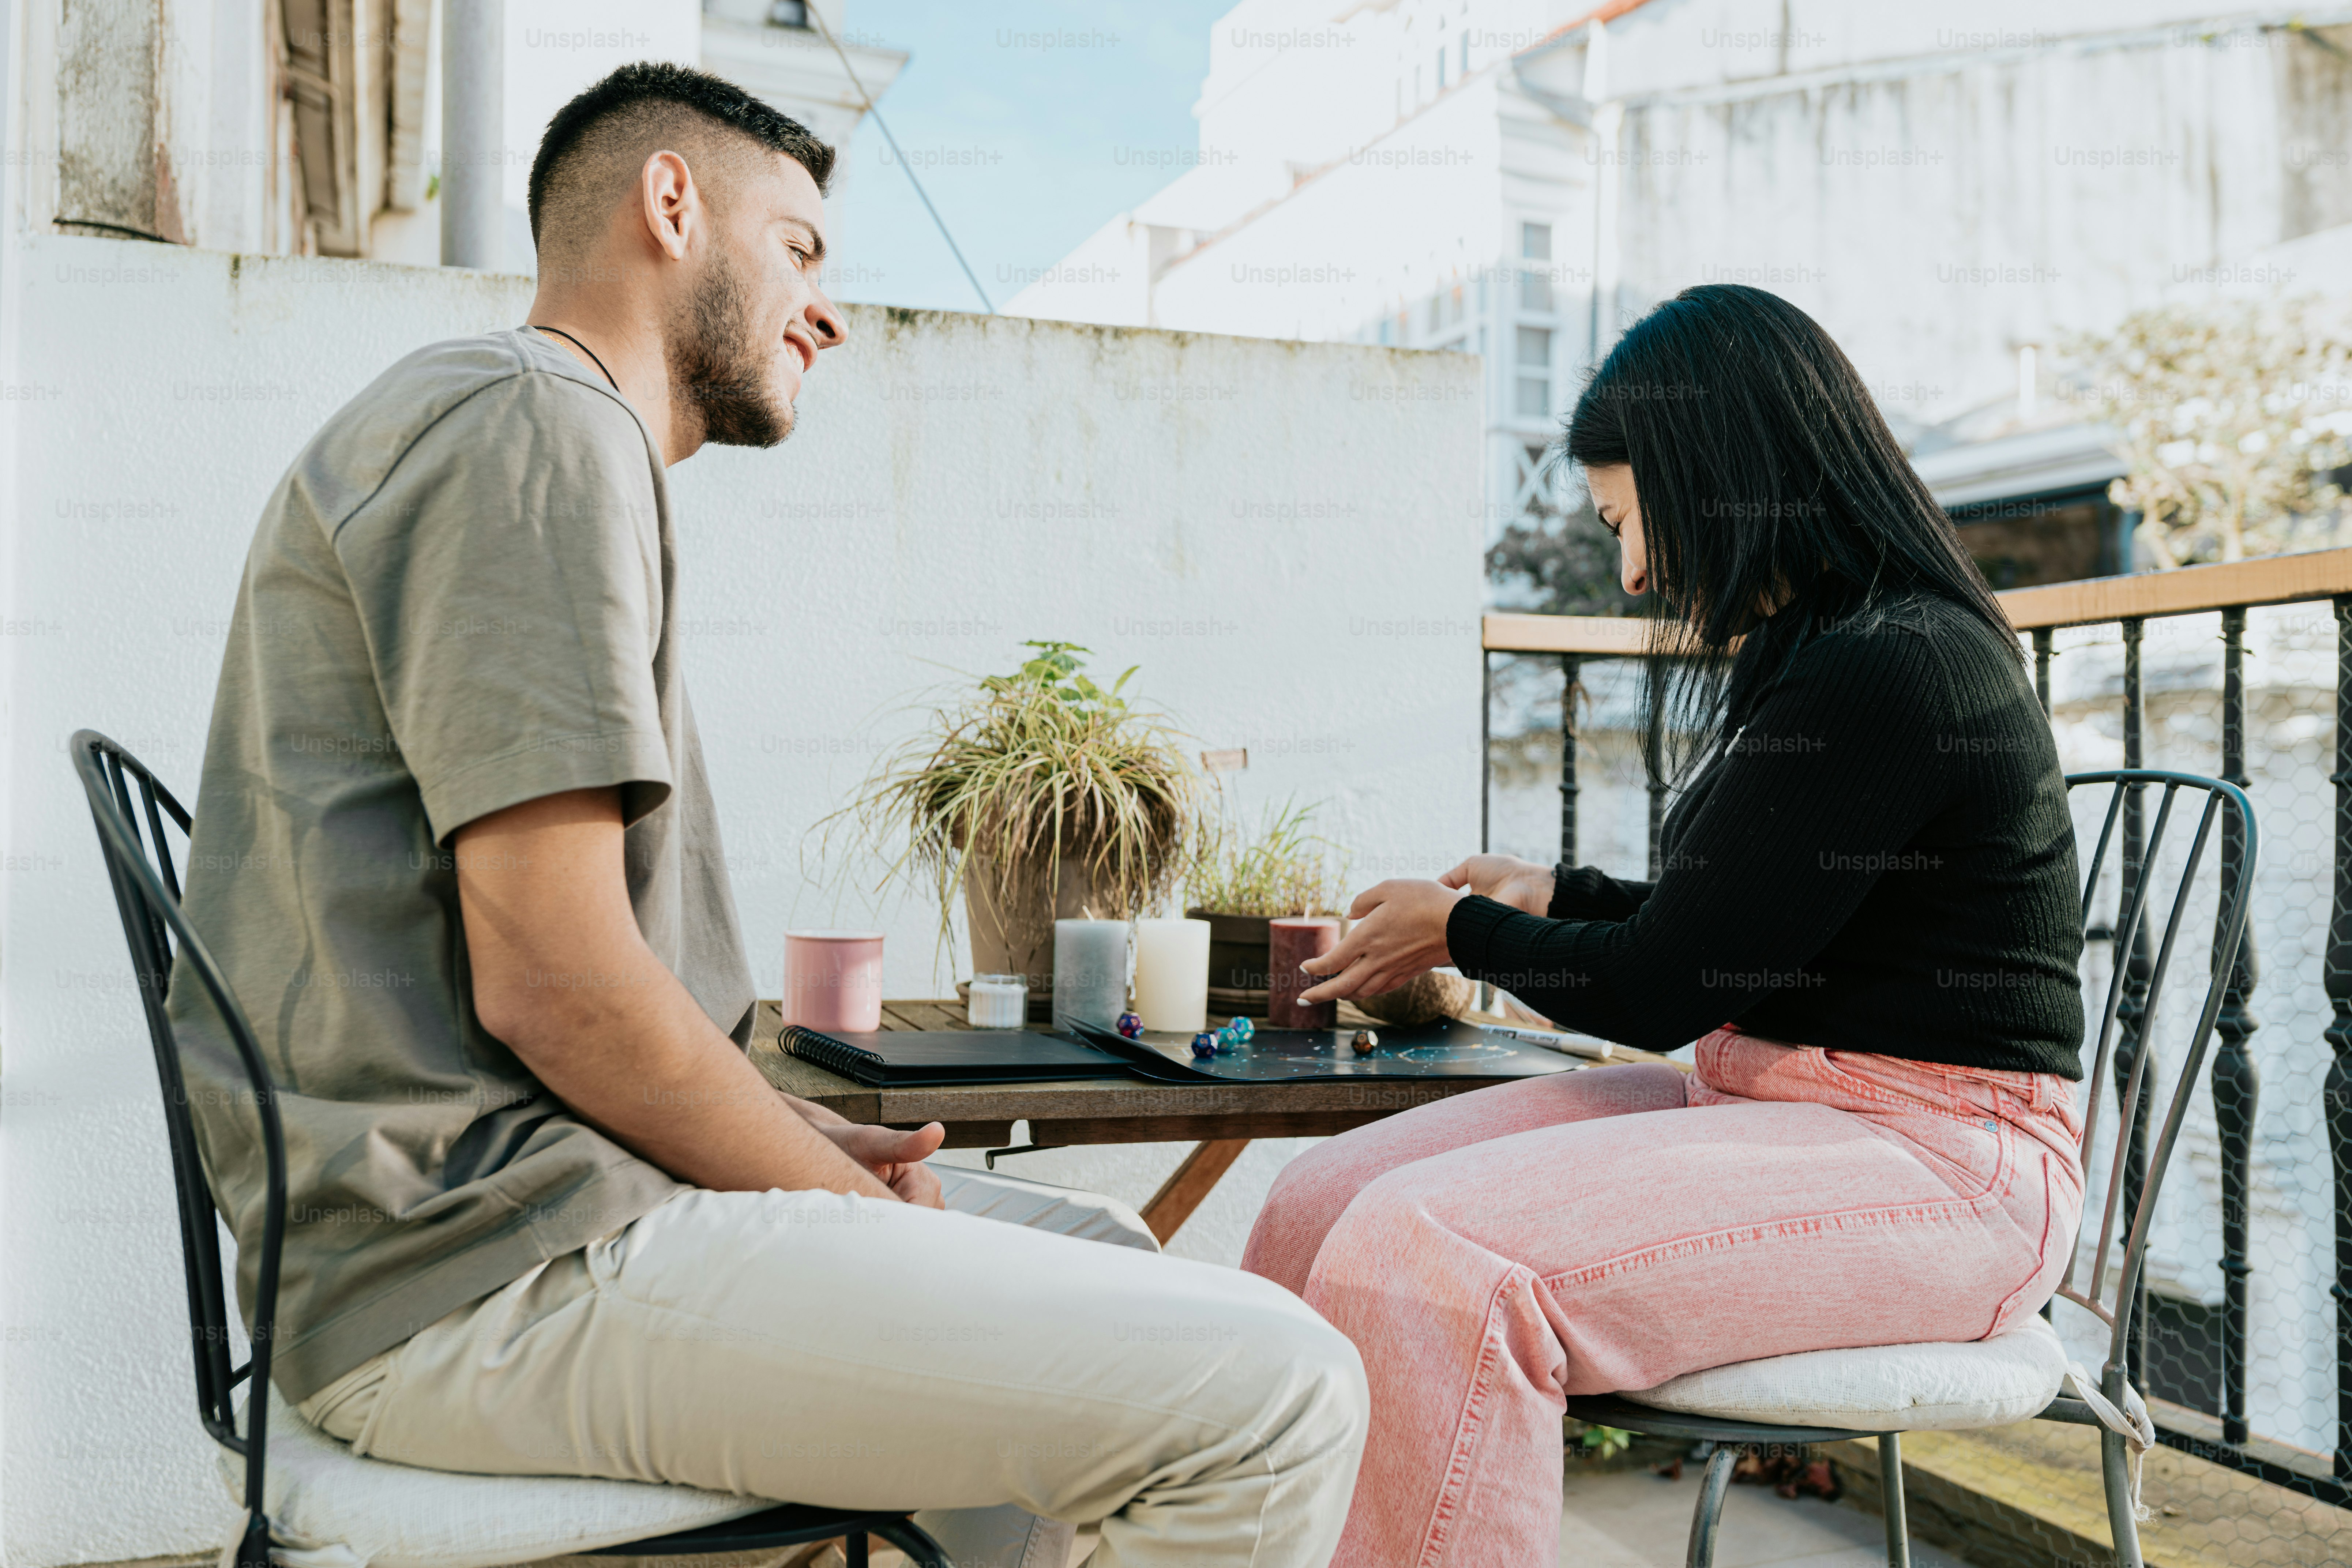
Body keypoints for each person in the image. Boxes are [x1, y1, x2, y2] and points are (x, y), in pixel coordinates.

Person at [166, 61, 1365, 1568]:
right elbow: (557, 983)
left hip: (504, 1228)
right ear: (671, 204)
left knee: (1113, 1258)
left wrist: (801, 1138)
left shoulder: (517, 432)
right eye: (800, 247)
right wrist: (834, 1196)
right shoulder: (533, 427)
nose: (830, 309)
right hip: (482, 1277)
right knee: (1279, 1391)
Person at [1241, 284, 2087, 1567]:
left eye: (1632, 522)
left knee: (1436, 1263)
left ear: (1725, 474)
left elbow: (1661, 990)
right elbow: (1744, 933)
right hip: (1777, 1105)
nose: (1635, 573)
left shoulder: (1898, 662)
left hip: (1950, 1170)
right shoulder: (1827, 652)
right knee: (1318, 1202)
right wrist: (1555, 900)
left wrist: (1466, 932)